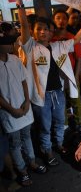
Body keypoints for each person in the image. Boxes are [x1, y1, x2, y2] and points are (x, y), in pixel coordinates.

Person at [13, 0, 81, 166]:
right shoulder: (30, 46)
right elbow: (24, 25)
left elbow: (77, 39)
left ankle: (60, 144)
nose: (43, 32)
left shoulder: (58, 46)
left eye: (46, 29)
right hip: (41, 97)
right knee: (45, 126)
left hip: (58, 93)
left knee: (59, 121)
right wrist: (19, 2)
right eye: (39, 29)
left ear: (51, 32)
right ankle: (46, 150)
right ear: (34, 32)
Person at [0, 36, 47, 187]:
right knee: (15, 142)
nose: (12, 45)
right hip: (8, 111)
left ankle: (32, 162)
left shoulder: (15, 59)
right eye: (8, 43)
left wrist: (27, 101)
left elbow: (23, 81)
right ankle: (22, 170)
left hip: (23, 106)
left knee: (27, 136)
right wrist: (11, 109)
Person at [52, 9, 81, 132]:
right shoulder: (50, 38)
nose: (61, 21)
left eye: (64, 18)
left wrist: (76, 76)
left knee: (76, 101)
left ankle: (79, 123)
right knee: (61, 104)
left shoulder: (72, 38)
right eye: (58, 18)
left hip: (71, 75)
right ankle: (64, 125)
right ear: (53, 20)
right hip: (56, 77)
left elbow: (79, 58)